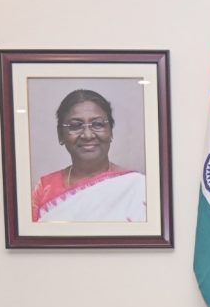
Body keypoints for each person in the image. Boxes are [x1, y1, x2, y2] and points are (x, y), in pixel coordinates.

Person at [31, 89, 146, 222]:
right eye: (75, 126)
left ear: (111, 132)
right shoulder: (44, 188)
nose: (88, 135)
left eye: (98, 124)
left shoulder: (137, 187)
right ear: (61, 135)